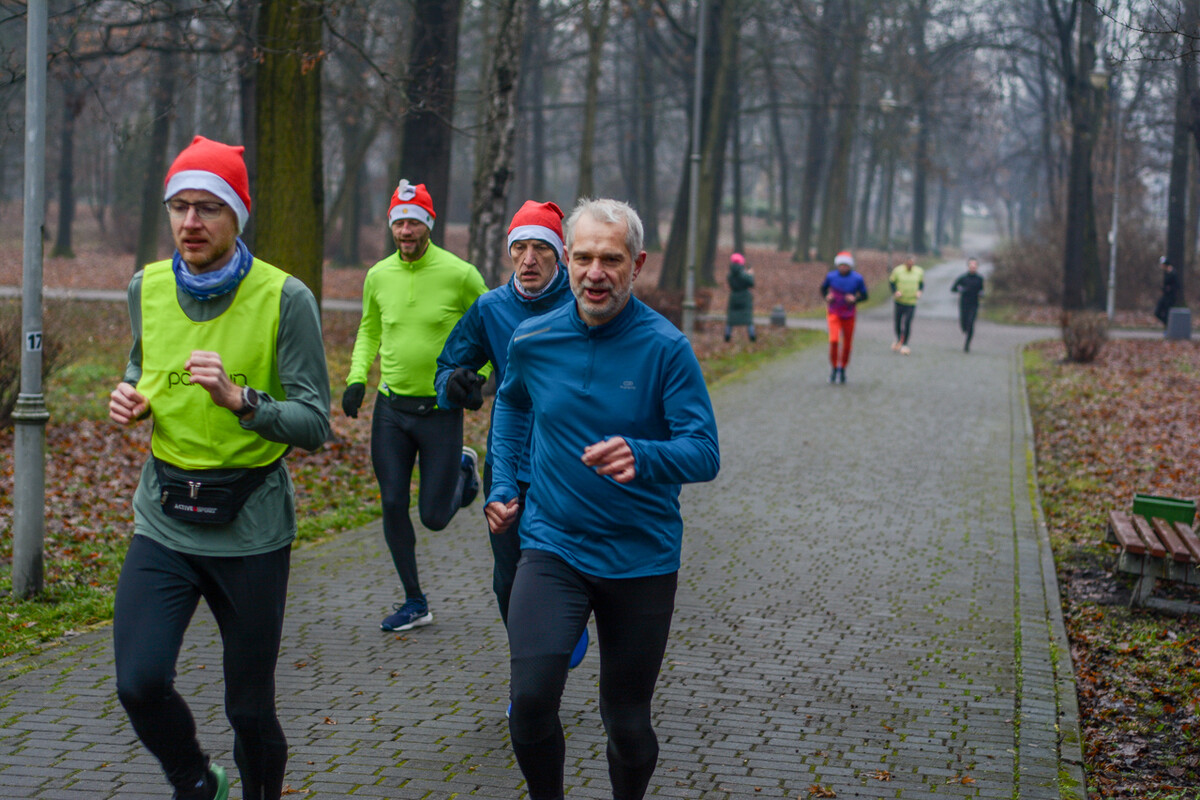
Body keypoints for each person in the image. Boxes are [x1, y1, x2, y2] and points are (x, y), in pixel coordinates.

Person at [108, 135, 331, 800]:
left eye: (208, 207)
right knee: (139, 682)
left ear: (238, 215)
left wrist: (242, 401)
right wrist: (133, 396)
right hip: (165, 519)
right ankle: (197, 781)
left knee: (250, 711)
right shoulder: (145, 286)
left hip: (250, 528)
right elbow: (143, 364)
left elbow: (315, 424)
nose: (190, 222)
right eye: (179, 206)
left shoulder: (286, 297)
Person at [484, 198, 720, 800]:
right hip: (552, 545)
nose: (595, 273)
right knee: (530, 701)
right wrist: (504, 482)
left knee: (627, 723)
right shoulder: (533, 338)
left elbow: (704, 452)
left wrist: (644, 455)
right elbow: (512, 404)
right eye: (584, 257)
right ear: (566, 259)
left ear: (636, 264)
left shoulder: (665, 348)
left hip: (640, 558)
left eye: (611, 259)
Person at [433, 200, 588, 669]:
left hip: (568, 464)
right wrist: (454, 384)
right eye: (519, 247)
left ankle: (555, 638)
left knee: (563, 568)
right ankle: (531, 665)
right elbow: (449, 365)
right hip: (509, 464)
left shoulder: (583, 305)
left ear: (561, 255)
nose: (529, 259)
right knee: (509, 578)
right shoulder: (491, 308)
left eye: (541, 248)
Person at [343, 179, 488, 633]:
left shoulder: (460, 274)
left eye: (414, 222)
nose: (405, 231)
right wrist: (356, 378)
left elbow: (491, 326)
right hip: (391, 409)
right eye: (398, 223)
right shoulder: (378, 275)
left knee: (434, 518)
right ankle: (414, 601)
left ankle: (463, 470)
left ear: (429, 224)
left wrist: (478, 377)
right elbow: (369, 329)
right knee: (391, 502)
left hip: (441, 410)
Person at [819, 251, 868, 384]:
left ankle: (843, 368)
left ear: (850, 266)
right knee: (834, 340)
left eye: (846, 265)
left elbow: (865, 295)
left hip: (849, 314)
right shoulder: (831, 276)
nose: (843, 267)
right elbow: (823, 289)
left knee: (847, 344)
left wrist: (855, 299)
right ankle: (834, 367)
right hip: (834, 312)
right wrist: (827, 296)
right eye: (841, 265)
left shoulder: (857, 278)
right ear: (837, 265)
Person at [889, 254, 924, 355]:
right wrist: (895, 292)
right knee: (898, 322)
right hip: (899, 301)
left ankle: (905, 344)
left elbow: (921, 284)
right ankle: (899, 339)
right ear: (905, 262)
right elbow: (891, 282)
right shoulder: (898, 270)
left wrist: (919, 292)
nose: (910, 265)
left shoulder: (919, 271)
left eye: (912, 263)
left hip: (911, 302)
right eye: (908, 263)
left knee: (908, 322)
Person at [951, 257, 985, 352]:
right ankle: (965, 329)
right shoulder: (963, 278)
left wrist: (981, 294)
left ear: (977, 267)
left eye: (975, 265)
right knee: (964, 324)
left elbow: (981, 290)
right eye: (971, 265)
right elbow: (953, 288)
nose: (973, 267)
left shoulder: (979, 279)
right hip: (964, 303)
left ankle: (967, 344)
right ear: (968, 266)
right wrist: (960, 289)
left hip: (974, 304)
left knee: (971, 323)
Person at [724, 252, 757, 342]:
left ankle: (727, 335)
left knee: (731, 318)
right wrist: (750, 274)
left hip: (734, 296)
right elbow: (751, 283)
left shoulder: (730, 275)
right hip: (745, 297)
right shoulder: (743, 274)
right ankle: (752, 335)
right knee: (748, 318)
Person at [1154, 256, 1180, 327]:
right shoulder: (1166, 273)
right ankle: (1167, 324)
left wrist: (1170, 289)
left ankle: (1169, 326)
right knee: (1157, 312)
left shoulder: (1173, 273)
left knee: (1167, 313)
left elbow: (1177, 285)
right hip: (1165, 296)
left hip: (1170, 297)